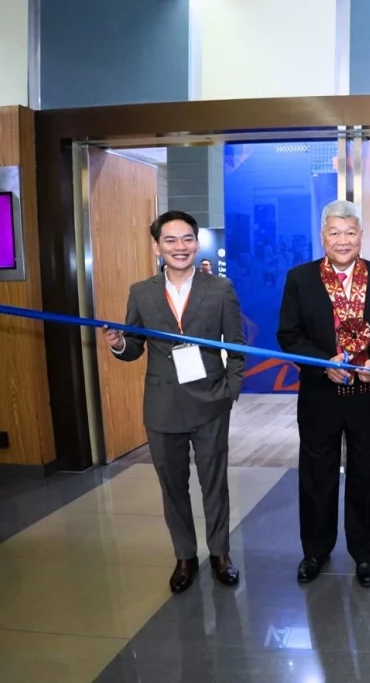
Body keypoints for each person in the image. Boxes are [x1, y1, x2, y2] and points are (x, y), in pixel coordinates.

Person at [103, 210, 245, 594]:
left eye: (187, 239)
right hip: (163, 405)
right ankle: (184, 556)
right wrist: (119, 345)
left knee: (214, 483)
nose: (180, 247)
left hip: (211, 402)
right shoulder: (141, 292)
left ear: (196, 243)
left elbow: (237, 345)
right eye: (171, 240)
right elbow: (134, 346)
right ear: (156, 246)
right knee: (173, 486)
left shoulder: (219, 289)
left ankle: (219, 553)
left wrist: (230, 391)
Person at [278, 200, 370, 588]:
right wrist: (323, 362)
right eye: (335, 232)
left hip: (368, 396)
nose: (343, 240)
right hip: (320, 395)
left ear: (361, 236)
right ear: (323, 237)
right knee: (317, 475)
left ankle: (365, 553)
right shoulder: (300, 279)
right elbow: (289, 334)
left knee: (368, 476)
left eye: (350, 232)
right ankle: (315, 550)